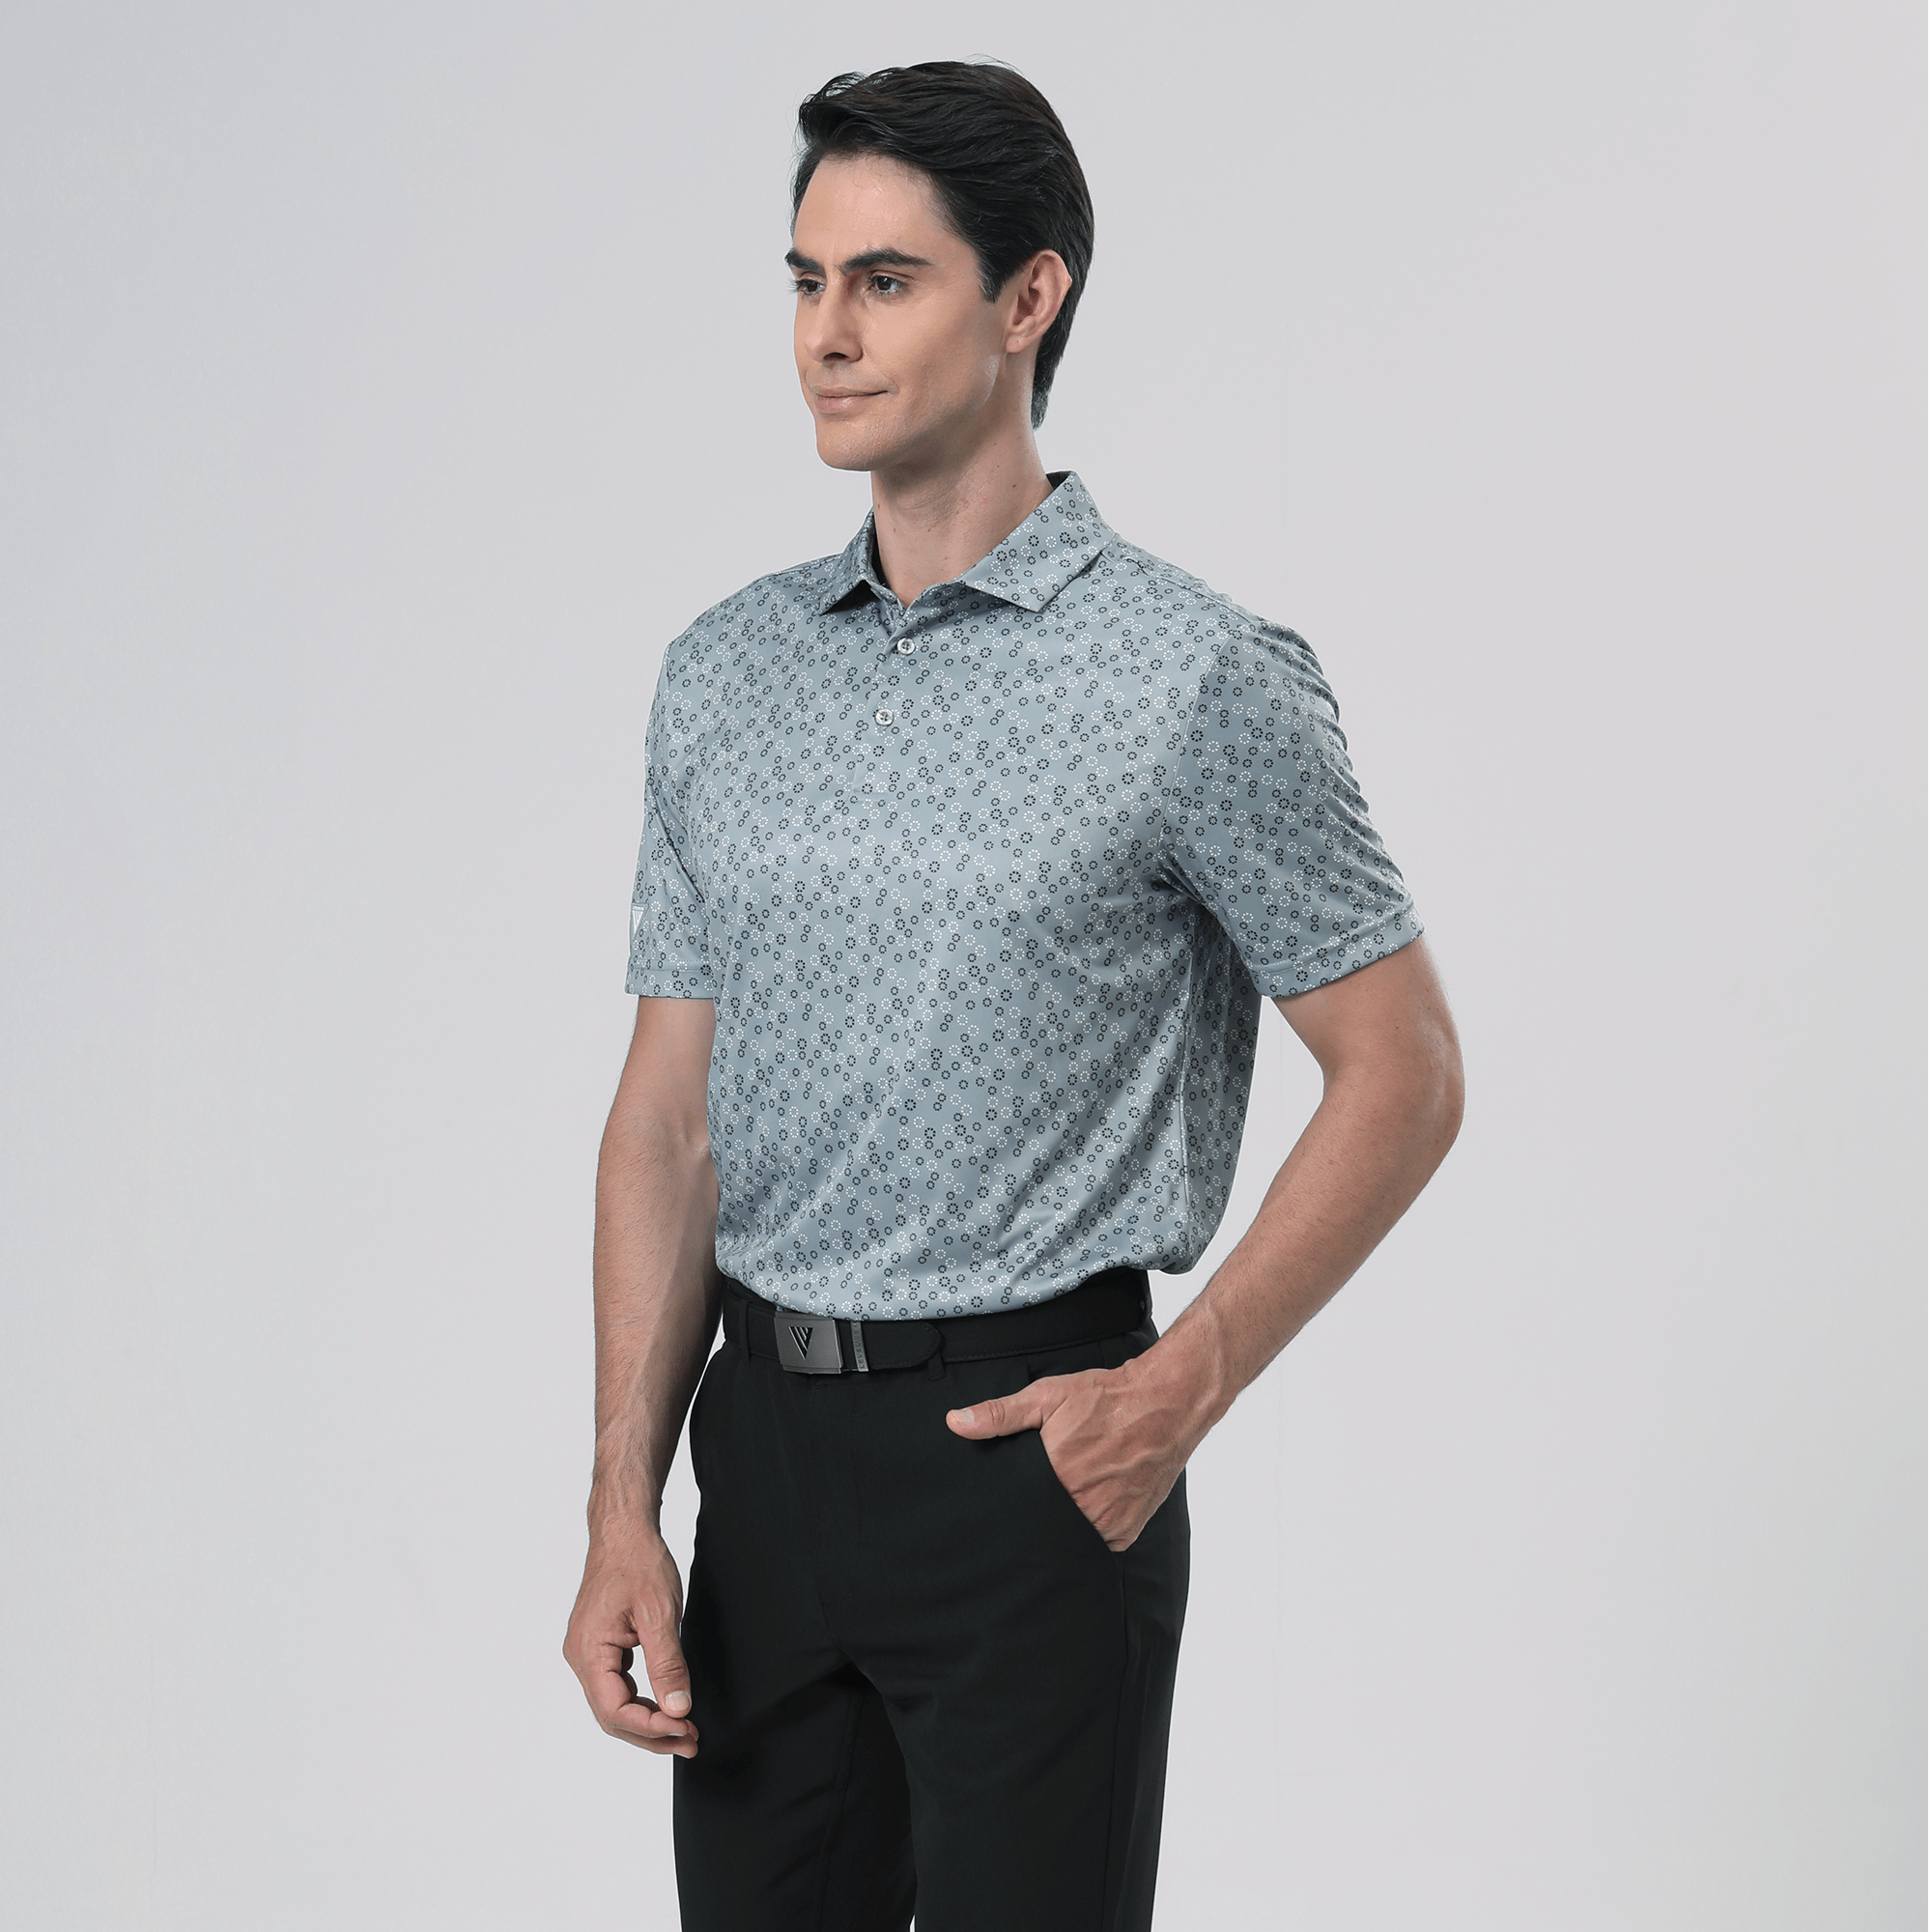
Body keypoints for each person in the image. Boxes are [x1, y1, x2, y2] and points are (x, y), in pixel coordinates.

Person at [562, 59, 1463, 1932]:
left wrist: (1182, 1388)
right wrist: (621, 1499)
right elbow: (666, 1116)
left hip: (1032, 1455)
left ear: (1027, 297)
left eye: (885, 281)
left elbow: (1403, 1069)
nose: (825, 335)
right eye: (805, 280)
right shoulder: (725, 674)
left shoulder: (1191, 675)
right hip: (762, 1456)